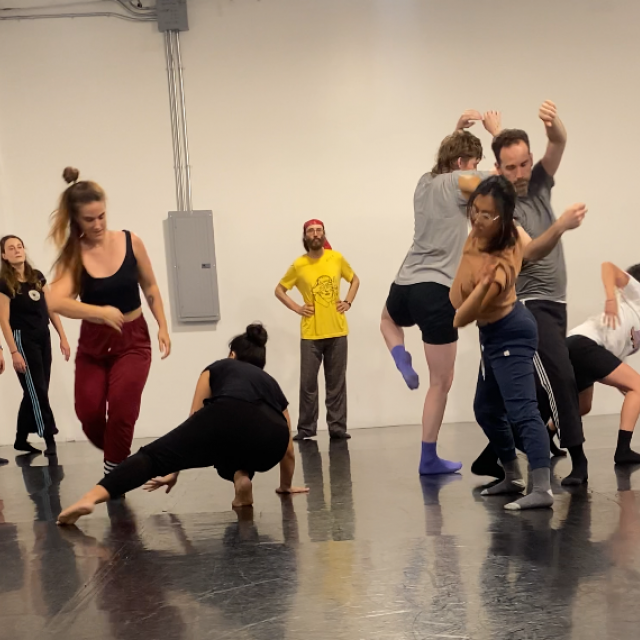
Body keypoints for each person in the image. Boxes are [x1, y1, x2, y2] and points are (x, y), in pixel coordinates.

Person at [57, 324, 309, 525]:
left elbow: (193, 423)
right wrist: (285, 486)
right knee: (239, 448)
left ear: (233, 354)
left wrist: (172, 468)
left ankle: (91, 498)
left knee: (152, 457)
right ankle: (241, 478)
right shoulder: (270, 382)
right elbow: (287, 447)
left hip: (224, 415)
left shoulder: (219, 367)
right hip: (270, 438)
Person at [472, 100, 589, 486]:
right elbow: (531, 250)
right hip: (526, 304)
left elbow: (558, 142)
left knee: (515, 390)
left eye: (525, 164)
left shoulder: (537, 181)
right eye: (511, 167)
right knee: (559, 377)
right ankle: (576, 462)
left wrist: (554, 124)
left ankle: (500, 459)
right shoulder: (502, 205)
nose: (521, 174)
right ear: (498, 170)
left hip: (555, 301)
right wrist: (563, 225)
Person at [380, 110, 501, 475]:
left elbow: (445, 166)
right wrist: (497, 133)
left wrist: (455, 132)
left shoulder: (423, 181)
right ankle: (428, 458)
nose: (474, 168)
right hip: (436, 292)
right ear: (464, 163)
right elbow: (501, 178)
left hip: (404, 284)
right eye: (472, 162)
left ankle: (400, 354)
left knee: (386, 320)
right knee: (440, 383)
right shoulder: (460, 182)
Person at [48, 167, 171, 476]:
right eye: (89, 219)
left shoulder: (131, 242)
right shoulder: (74, 255)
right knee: (88, 413)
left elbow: (150, 286)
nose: (98, 224)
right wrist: (98, 312)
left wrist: (163, 325)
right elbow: (54, 300)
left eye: (101, 216)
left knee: (121, 409)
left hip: (133, 339)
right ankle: (118, 454)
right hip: (94, 343)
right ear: (76, 220)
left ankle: (114, 472)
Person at [450, 175, 558, 510]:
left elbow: (460, 317)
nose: (477, 219)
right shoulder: (482, 227)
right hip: (491, 335)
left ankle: (542, 488)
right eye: (475, 211)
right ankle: (512, 474)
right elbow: (465, 185)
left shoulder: (499, 265)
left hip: (511, 331)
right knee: (485, 409)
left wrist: (481, 289)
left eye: (486, 214)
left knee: (522, 411)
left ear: (503, 219)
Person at [275, 219, 360, 440]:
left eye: (318, 230)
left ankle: (337, 428)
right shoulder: (299, 264)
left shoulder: (336, 258)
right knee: (308, 384)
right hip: (311, 334)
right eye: (311, 231)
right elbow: (279, 290)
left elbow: (355, 280)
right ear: (305, 236)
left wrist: (348, 302)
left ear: (324, 234)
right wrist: (297, 308)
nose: (315, 234)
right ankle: (306, 429)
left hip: (337, 332)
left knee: (336, 384)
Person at [0, 235, 70, 457]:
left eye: (19, 246)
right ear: (4, 255)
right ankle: (49, 436)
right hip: (23, 339)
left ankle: (21, 439)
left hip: (43, 337)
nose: (17, 250)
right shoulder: (4, 282)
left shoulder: (37, 277)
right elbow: (3, 320)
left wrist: (63, 336)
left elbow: (50, 307)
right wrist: (13, 351)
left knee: (36, 389)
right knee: (37, 390)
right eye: (11, 248)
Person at [566, 262, 640, 464]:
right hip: (584, 345)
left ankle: (547, 435)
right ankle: (623, 450)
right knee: (639, 386)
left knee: (583, 406)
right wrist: (611, 299)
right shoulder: (637, 294)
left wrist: (625, 387)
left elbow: (616, 356)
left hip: (580, 349)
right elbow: (608, 267)